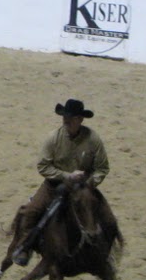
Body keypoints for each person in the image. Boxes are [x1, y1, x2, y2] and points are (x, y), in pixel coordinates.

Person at [8, 98, 114, 266]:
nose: (66, 121)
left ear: (80, 119)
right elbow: (43, 166)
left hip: (82, 187)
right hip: (54, 185)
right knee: (31, 211)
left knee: (106, 218)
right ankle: (24, 247)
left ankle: (105, 249)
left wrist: (91, 182)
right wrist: (66, 176)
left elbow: (102, 167)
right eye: (65, 117)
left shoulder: (93, 139)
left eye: (70, 118)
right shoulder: (53, 138)